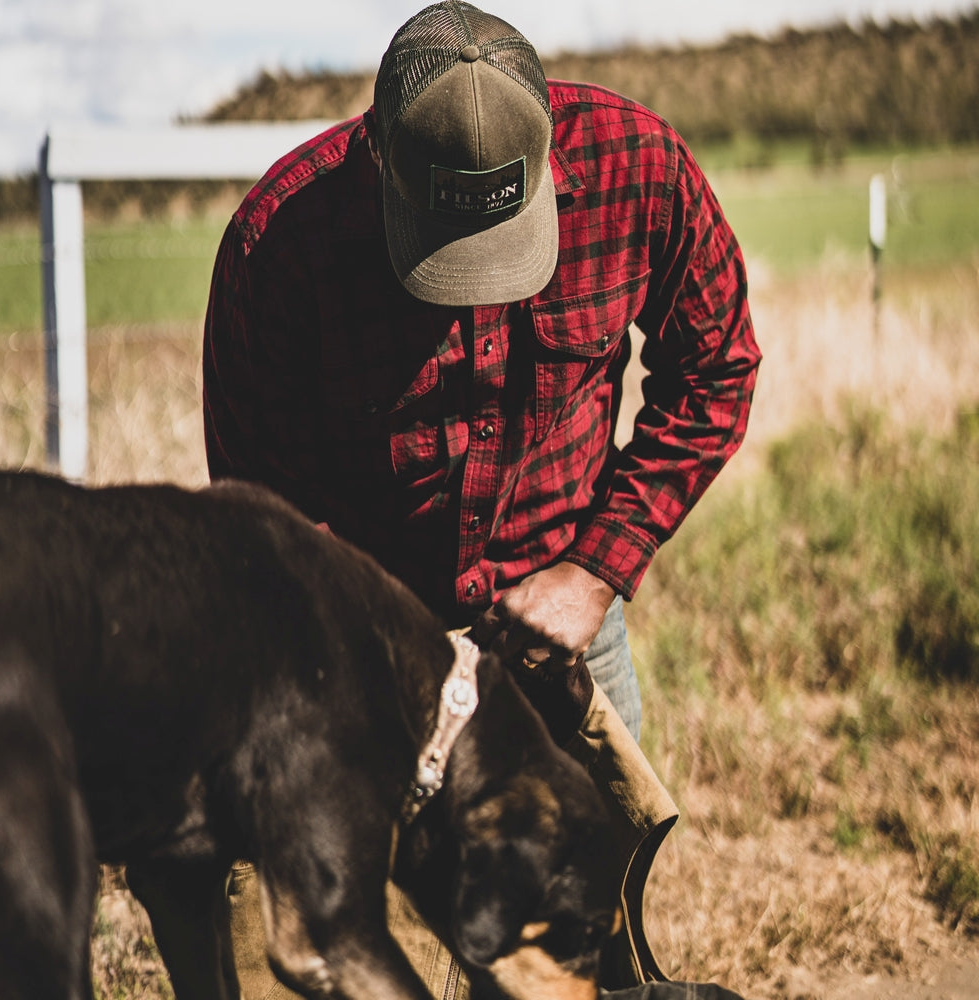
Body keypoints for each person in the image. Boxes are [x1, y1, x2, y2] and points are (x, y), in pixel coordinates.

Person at [202, 3, 760, 997]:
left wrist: (593, 570)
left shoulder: (641, 171)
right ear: (377, 159)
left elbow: (714, 369)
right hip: (358, 655)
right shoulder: (278, 246)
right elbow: (264, 521)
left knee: (564, 958)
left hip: (561, 638)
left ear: (550, 152)